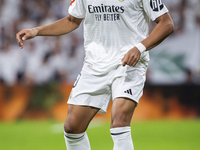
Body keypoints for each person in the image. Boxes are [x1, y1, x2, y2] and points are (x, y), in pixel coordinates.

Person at [16, 0, 174, 149]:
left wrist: (139, 48)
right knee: (72, 127)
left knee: (119, 122)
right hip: (95, 65)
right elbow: (72, 21)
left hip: (129, 62)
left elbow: (166, 23)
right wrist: (36, 31)